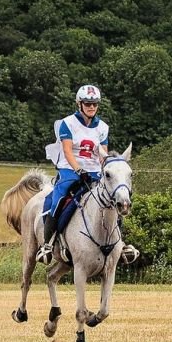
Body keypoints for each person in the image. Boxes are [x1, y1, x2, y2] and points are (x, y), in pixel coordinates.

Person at [36, 84, 108, 264]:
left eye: (95, 104)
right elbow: (68, 151)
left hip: (94, 170)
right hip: (70, 169)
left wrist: (105, 169)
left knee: (113, 198)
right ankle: (47, 244)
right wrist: (78, 170)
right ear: (79, 104)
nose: (91, 107)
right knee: (59, 197)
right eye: (87, 103)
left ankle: (120, 244)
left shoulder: (103, 127)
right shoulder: (67, 124)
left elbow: (103, 153)